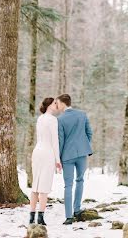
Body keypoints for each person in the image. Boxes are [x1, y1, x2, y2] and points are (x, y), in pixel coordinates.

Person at [56, 93, 93, 225]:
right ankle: (77, 210)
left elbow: (60, 140)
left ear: (63, 103)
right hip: (82, 153)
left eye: (58, 103)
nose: (57, 106)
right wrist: (85, 146)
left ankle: (69, 216)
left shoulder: (60, 119)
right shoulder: (82, 114)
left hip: (67, 155)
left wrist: (58, 158)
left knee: (68, 185)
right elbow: (89, 133)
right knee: (80, 180)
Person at [29, 97, 62, 226]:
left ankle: (31, 216)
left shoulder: (40, 118)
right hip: (47, 152)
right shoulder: (53, 120)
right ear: (49, 105)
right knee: (44, 187)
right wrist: (57, 159)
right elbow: (55, 141)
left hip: (37, 151)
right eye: (54, 103)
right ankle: (40, 217)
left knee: (35, 186)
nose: (56, 105)